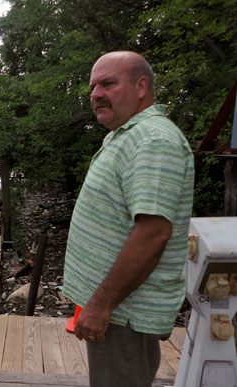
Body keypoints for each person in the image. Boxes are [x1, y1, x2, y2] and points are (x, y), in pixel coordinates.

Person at [63, 51, 194, 387]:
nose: (96, 94)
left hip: (122, 314)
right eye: (93, 87)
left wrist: (100, 307)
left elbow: (153, 233)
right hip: (117, 309)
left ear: (141, 86)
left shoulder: (154, 140)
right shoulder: (128, 134)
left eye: (108, 83)